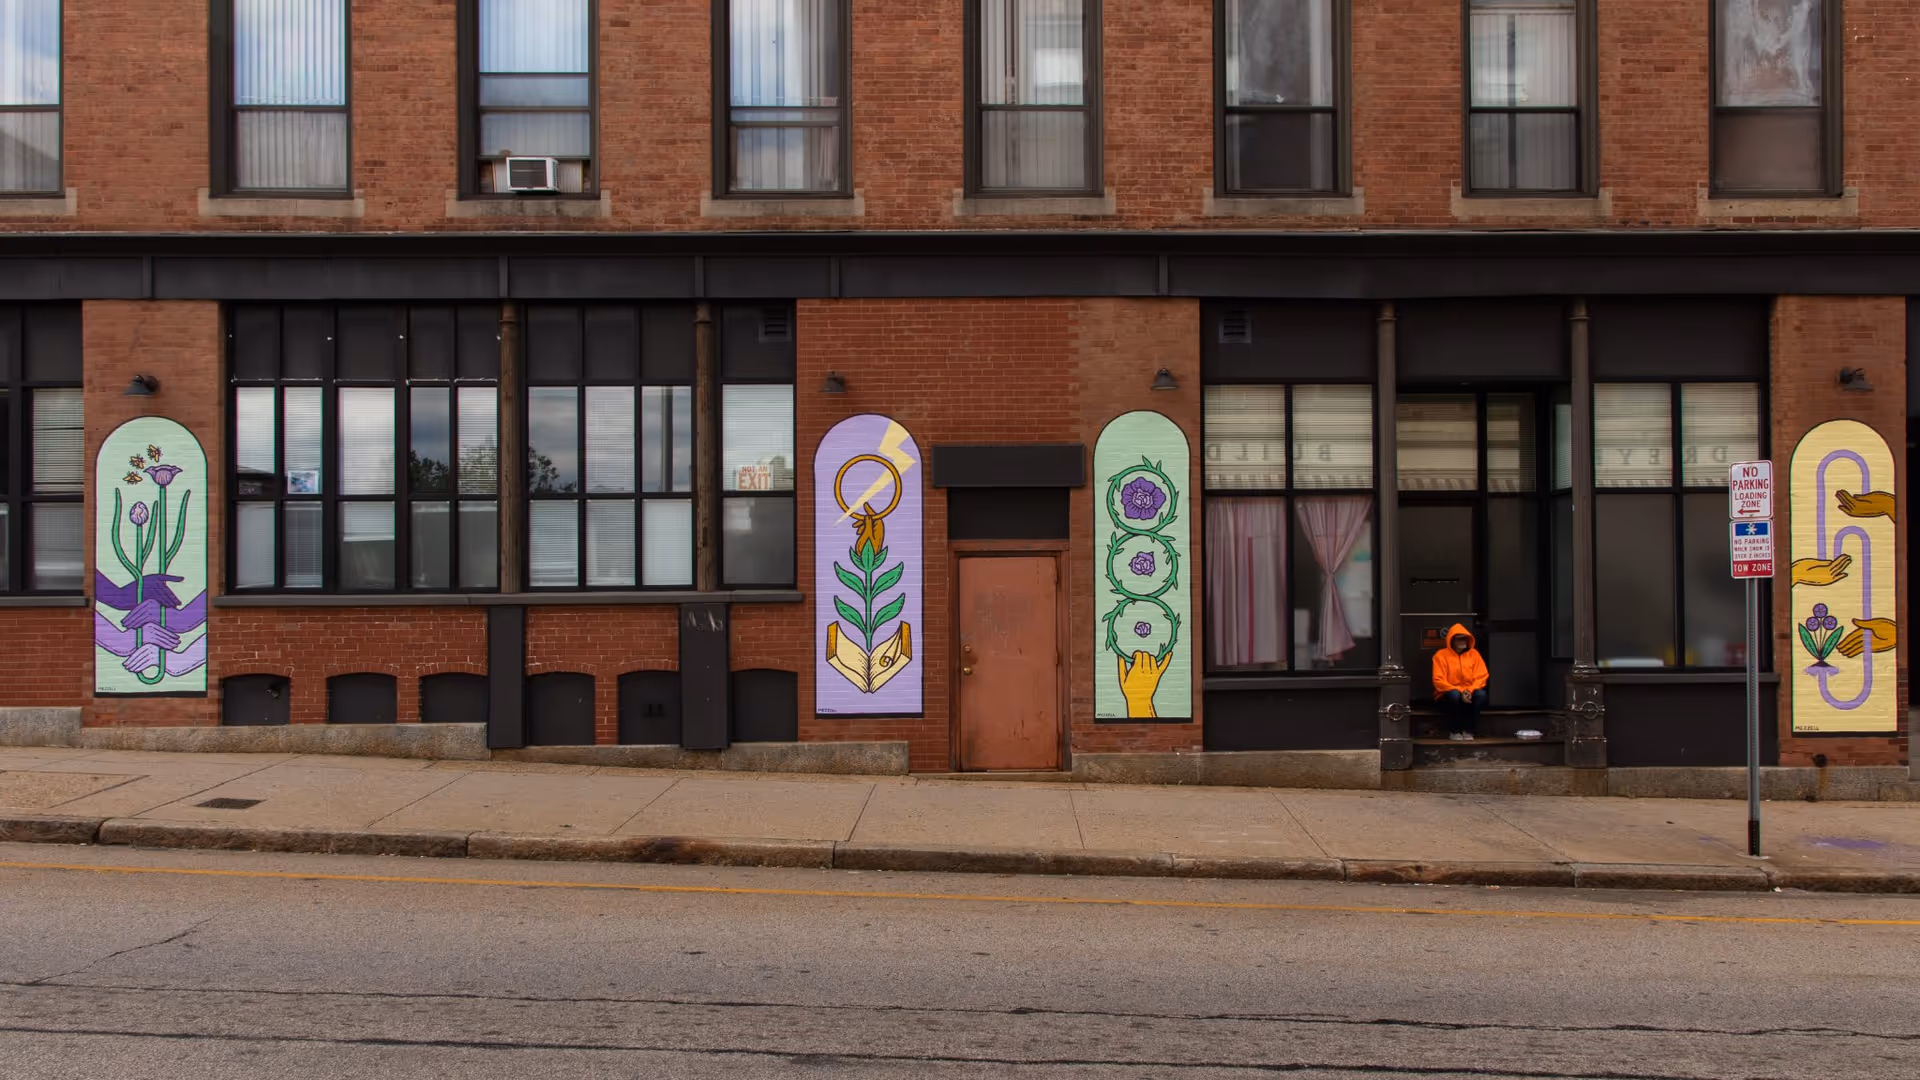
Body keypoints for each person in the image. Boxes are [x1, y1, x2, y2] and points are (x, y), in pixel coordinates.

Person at [1432, 623, 1488, 741]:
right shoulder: (1441, 655)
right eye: (1459, 639)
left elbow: (1482, 676)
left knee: (1481, 695)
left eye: (1465, 638)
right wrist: (1460, 691)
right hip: (1448, 692)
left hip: (1469, 690)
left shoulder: (1474, 654)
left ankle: (1469, 730)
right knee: (1454, 695)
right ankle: (1454, 730)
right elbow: (1438, 680)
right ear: (1451, 641)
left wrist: (1469, 691)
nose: (1463, 641)